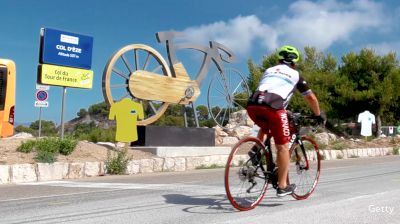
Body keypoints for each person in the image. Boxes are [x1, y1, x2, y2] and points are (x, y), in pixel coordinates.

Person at [246, 45, 325, 197]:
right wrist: (318, 114)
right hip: (273, 106)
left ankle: (256, 150)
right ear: (294, 63)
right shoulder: (295, 75)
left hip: (253, 104)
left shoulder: (269, 70)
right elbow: (311, 98)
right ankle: (282, 186)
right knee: (282, 147)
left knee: (267, 124)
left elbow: (271, 89)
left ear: (278, 60)